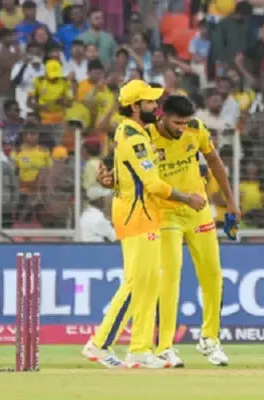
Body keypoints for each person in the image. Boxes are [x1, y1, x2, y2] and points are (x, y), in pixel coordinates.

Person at [81, 80, 207, 369]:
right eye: (149, 102)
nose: (155, 106)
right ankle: (99, 344)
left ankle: (139, 349)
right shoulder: (134, 138)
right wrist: (188, 198)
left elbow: (127, 173)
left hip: (145, 214)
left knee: (149, 282)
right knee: (138, 282)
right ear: (135, 106)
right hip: (136, 215)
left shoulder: (132, 132)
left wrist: (112, 178)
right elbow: (153, 183)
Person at [145, 95, 238, 367]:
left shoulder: (196, 129)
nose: (182, 128)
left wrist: (231, 201)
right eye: (177, 123)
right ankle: (164, 346)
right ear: (162, 116)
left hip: (198, 210)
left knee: (213, 275)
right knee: (170, 277)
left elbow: (214, 161)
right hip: (166, 213)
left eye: (185, 123)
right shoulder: (148, 136)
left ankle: (210, 339)